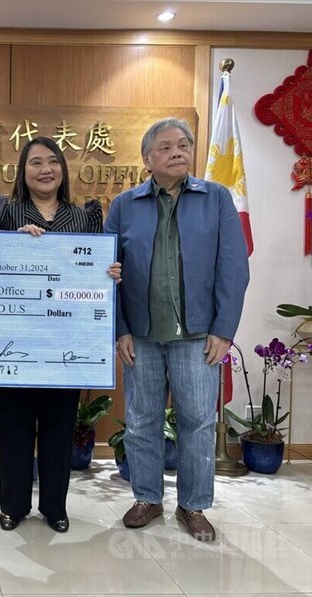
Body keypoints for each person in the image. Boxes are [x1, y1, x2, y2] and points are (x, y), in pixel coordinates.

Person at [104, 117, 249, 541]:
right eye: (165, 147)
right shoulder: (125, 205)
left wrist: (223, 330)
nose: (177, 152)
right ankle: (147, 498)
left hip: (198, 337)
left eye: (183, 145)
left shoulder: (216, 198)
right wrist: (121, 329)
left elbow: (234, 268)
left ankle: (194, 505)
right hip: (141, 337)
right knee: (141, 420)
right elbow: (107, 272)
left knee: (198, 423)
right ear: (147, 159)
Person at [0, 136, 120, 532]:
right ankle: (12, 505)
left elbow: (94, 271)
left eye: (53, 162)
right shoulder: (5, 210)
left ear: (63, 169)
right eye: (35, 163)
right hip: (13, 337)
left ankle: (55, 507)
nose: (46, 169)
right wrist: (14, 246)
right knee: (14, 425)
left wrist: (109, 273)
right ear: (22, 173)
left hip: (67, 338)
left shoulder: (85, 216)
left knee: (60, 426)